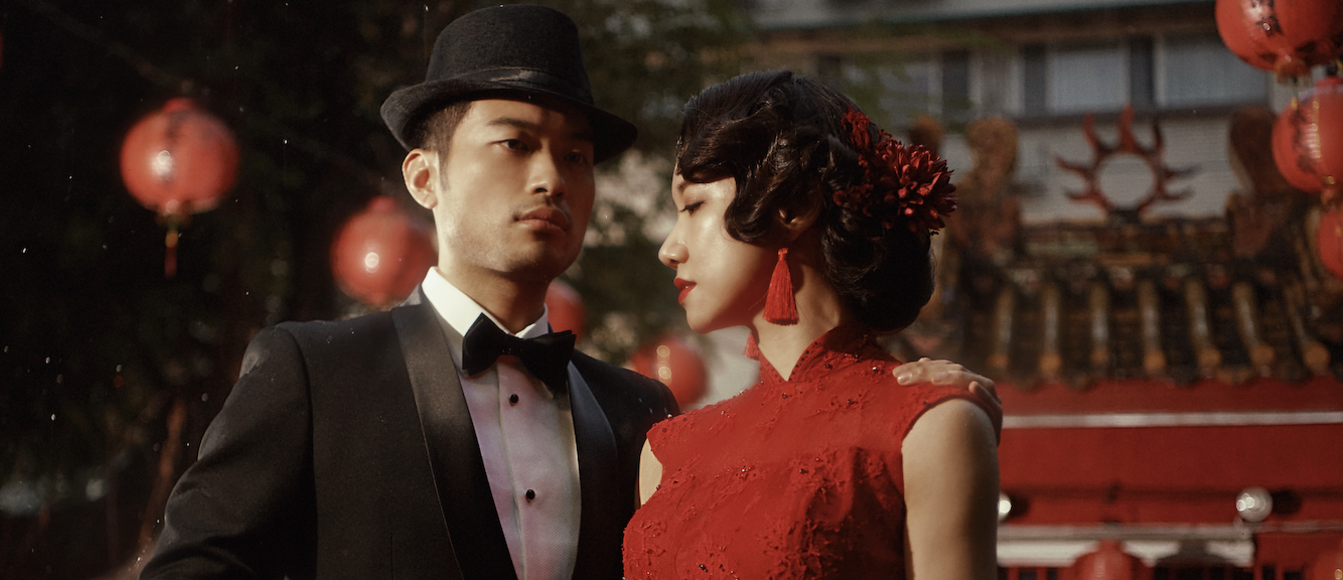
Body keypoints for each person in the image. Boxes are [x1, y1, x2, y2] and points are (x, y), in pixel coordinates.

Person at [142, 6, 993, 580]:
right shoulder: (314, 373)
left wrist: (903, 406)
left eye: (576, 156)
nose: (552, 177)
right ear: (424, 177)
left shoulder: (643, 417)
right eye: (514, 144)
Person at [623, 71, 1003, 579]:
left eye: (693, 206)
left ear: (793, 206)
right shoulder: (666, 452)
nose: (669, 249)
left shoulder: (929, 427)